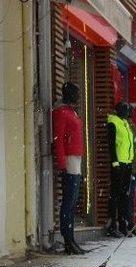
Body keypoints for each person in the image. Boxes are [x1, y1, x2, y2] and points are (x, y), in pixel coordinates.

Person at [53, 82, 86, 254]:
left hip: (75, 157)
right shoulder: (61, 112)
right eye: (76, 93)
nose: (79, 97)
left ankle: (71, 238)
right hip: (69, 159)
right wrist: (61, 163)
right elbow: (58, 139)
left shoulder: (71, 111)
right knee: (68, 201)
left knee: (72, 202)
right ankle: (67, 238)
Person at [105, 102, 136, 238]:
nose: (127, 111)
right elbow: (111, 145)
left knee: (124, 195)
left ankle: (123, 224)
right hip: (119, 164)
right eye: (125, 109)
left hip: (127, 163)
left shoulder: (125, 123)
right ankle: (113, 225)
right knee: (115, 195)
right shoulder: (113, 122)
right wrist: (115, 163)